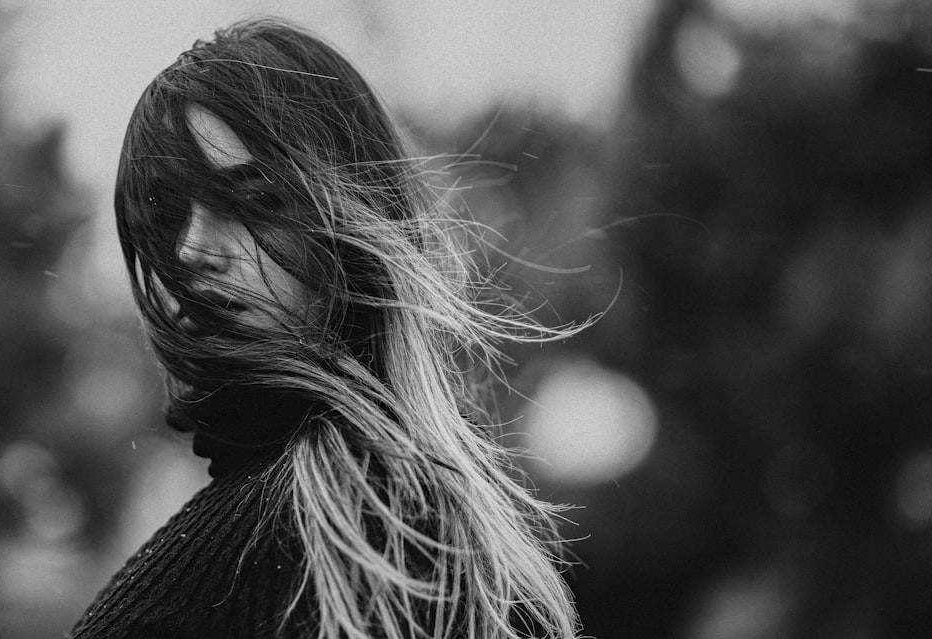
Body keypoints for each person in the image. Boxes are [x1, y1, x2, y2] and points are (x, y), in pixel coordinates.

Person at [70, 18, 585, 639]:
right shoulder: (270, 535)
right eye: (171, 216)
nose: (192, 249)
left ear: (351, 223)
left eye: (255, 200)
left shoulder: (358, 534)